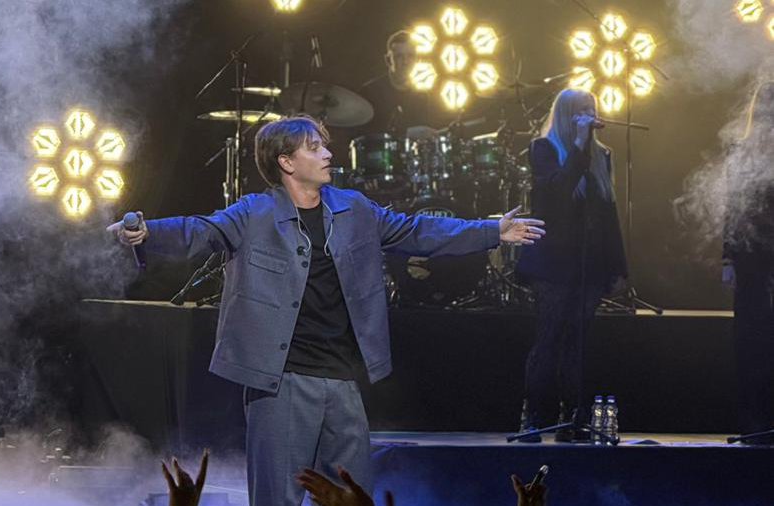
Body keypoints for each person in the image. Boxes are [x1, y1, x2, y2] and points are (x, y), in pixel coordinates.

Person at [108, 115, 545, 505]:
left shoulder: (354, 208)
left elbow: (416, 230)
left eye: (324, 145)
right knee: (278, 498)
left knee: (350, 497)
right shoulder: (254, 213)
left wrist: (491, 231)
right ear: (286, 162)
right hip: (281, 382)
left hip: (342, 382)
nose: (328, 154)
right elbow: (200, 231)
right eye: (314, 147)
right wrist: (148, 233)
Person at [515, 89, 627, 441]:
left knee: (577, 344)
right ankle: (533, 417)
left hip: (589, 262)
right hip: (553, 261)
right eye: (581, 110)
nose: (589, 115)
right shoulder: (543, 149)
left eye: (591, 108)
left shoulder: (602, 155)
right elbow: (557, 195)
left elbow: (608, 213)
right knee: (548, 338)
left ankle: (574, 418)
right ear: (566, 114)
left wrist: (618, 267)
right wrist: (579, 145)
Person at [722, 81, 774, 443]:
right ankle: (754, 423)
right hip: (753, 254)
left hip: (757, 252)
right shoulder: (742, 150)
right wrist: (728, 257)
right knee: (752, 338)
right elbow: (733, 207)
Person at [358, 30, 453, 136]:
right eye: (399, 56)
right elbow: (363, 135)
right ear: (388, 60)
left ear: (417, 60)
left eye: (410, 56)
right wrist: (405, 134)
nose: (405, 62)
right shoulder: (370, 92)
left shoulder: (421, 96)